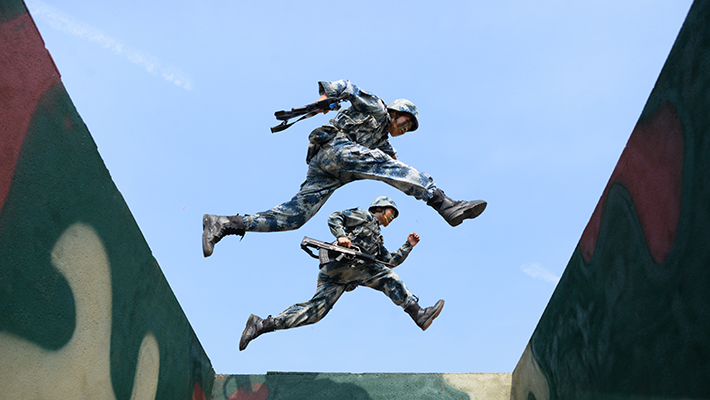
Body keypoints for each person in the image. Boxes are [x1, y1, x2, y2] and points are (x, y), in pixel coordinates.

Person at [203, 79, 486, 257]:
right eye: (406, 121)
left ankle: (226, 223)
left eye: (410, 128)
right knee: (385, 164)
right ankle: (443, 203)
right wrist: (323, 100)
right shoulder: (377, 109)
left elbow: (399, 170)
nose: (405, 128)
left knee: (295, 217)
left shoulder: (384, 145)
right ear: (396, 112)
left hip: (327, 173)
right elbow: (348, 88)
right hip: (334, 149)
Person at [238, 196, 445, 350]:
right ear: (379, 208)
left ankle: (262, 325)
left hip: (339, 275)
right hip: (344, 264)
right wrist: (341, 236)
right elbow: (335, 216)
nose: (392, 217)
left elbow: (389, 261)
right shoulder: (364, 216)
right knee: (386, 278)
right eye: (391, 213)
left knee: (315, 312)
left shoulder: (378, 241)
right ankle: (418, 313)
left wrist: (408, 245)